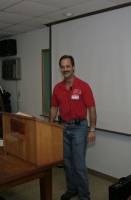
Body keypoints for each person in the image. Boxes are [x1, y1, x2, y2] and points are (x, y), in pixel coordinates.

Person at [49, 55, 97, 200]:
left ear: (73, 67)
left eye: (68, 66)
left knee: (79, 165)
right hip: (64, 127)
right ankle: (72, 189)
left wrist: (92, 129)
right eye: (62, 67)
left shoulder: (84, 86)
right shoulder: (57, 88)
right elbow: (53, 108)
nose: (65, 69)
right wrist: (51, 125)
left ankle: (84, 195)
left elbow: (92, 109)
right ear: (60, 69)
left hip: (79, 129)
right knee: (68, 163)